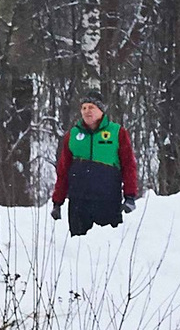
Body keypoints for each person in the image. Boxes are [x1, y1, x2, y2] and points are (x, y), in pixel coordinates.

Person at [50, 89, 140, 236]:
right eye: (84, 108)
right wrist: (57, 202)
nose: (87, 111)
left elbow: (129, 166)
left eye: (91, 107)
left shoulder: (117, 132)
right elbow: (63, 170)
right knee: (78, 249)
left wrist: (130, 196)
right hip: (79, 202)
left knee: (107, 247)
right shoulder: (72, 135)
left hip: (107, 201)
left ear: (101, 110)